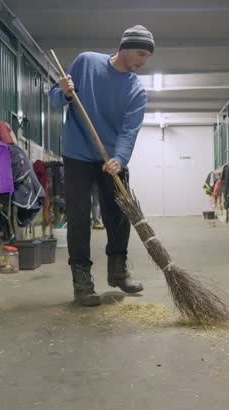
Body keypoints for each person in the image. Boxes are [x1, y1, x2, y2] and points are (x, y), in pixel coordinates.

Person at [49, 25, 154, 307]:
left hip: (111, 157)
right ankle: (82, 280)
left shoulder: (136, 91)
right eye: (141, 54)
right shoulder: (86, 62)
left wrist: (119, 158)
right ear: (125, 47)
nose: (144, 61)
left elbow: (129, 131)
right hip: (78, 154)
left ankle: (118, 270)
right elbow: (55, 98)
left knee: (120, 214)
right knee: (80, 217)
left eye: (147, 57)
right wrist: (66, 92)